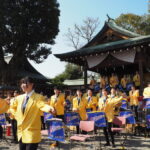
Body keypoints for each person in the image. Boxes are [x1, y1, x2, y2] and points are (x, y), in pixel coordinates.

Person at [9, 76, 54, 150]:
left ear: (32, 84)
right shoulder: (19, 98)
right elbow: (12, 107)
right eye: (22, 83)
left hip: (32, 131)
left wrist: (50, 108)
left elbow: (43, 105)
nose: (23, 85)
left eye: (25, 83)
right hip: (21, 132)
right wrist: (16, 115)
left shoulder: (38, 97)